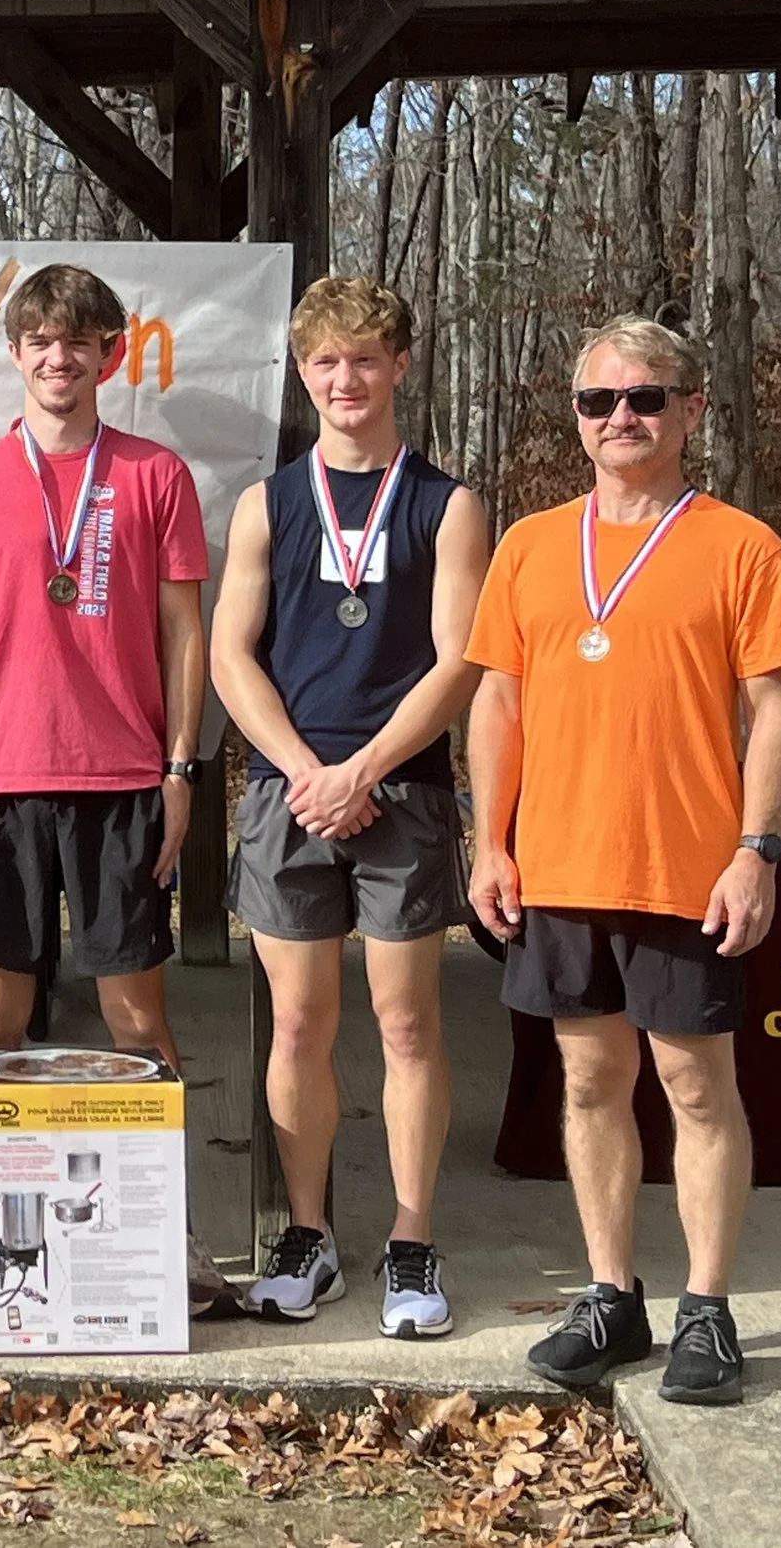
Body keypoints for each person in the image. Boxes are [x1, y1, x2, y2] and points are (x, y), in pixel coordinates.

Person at [468, 316, 781, 1408]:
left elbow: (772, 716)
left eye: (646, 399)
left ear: (689, 412)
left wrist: (754, 852)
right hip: (560, 866)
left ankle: (706, 1308)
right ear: (575, 419)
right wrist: (489, 838)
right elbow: (499, 701)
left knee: (696, 1088)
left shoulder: (741, 546)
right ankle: (611, 1294)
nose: (621, 417)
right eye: (598, 401)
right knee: (587, 1081)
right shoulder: (527, 545)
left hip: (685, 867)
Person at [0, 264, 231, 1319]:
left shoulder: (154, 475)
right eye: (38, 338)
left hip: (122, 778)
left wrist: (180, 769)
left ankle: (163, 1229)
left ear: (108, 356)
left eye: (78, 340)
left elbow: (184, 635)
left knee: (135, 1020)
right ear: (15, 352)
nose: (57, 356)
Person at [210, 275, 489, 1336]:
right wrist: (301, 772)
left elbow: (459, 659)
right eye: (325, 362)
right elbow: (232, 657)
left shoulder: (447, 504)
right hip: (289, 794)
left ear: (398, 366)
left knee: (407, 1022)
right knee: (296, 1022)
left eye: (364, 359)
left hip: (401, 792)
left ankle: (412, 1244)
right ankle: (309, 1233)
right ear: (302, 373)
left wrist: (363, 770)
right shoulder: (266, 504)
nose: (344, 379)